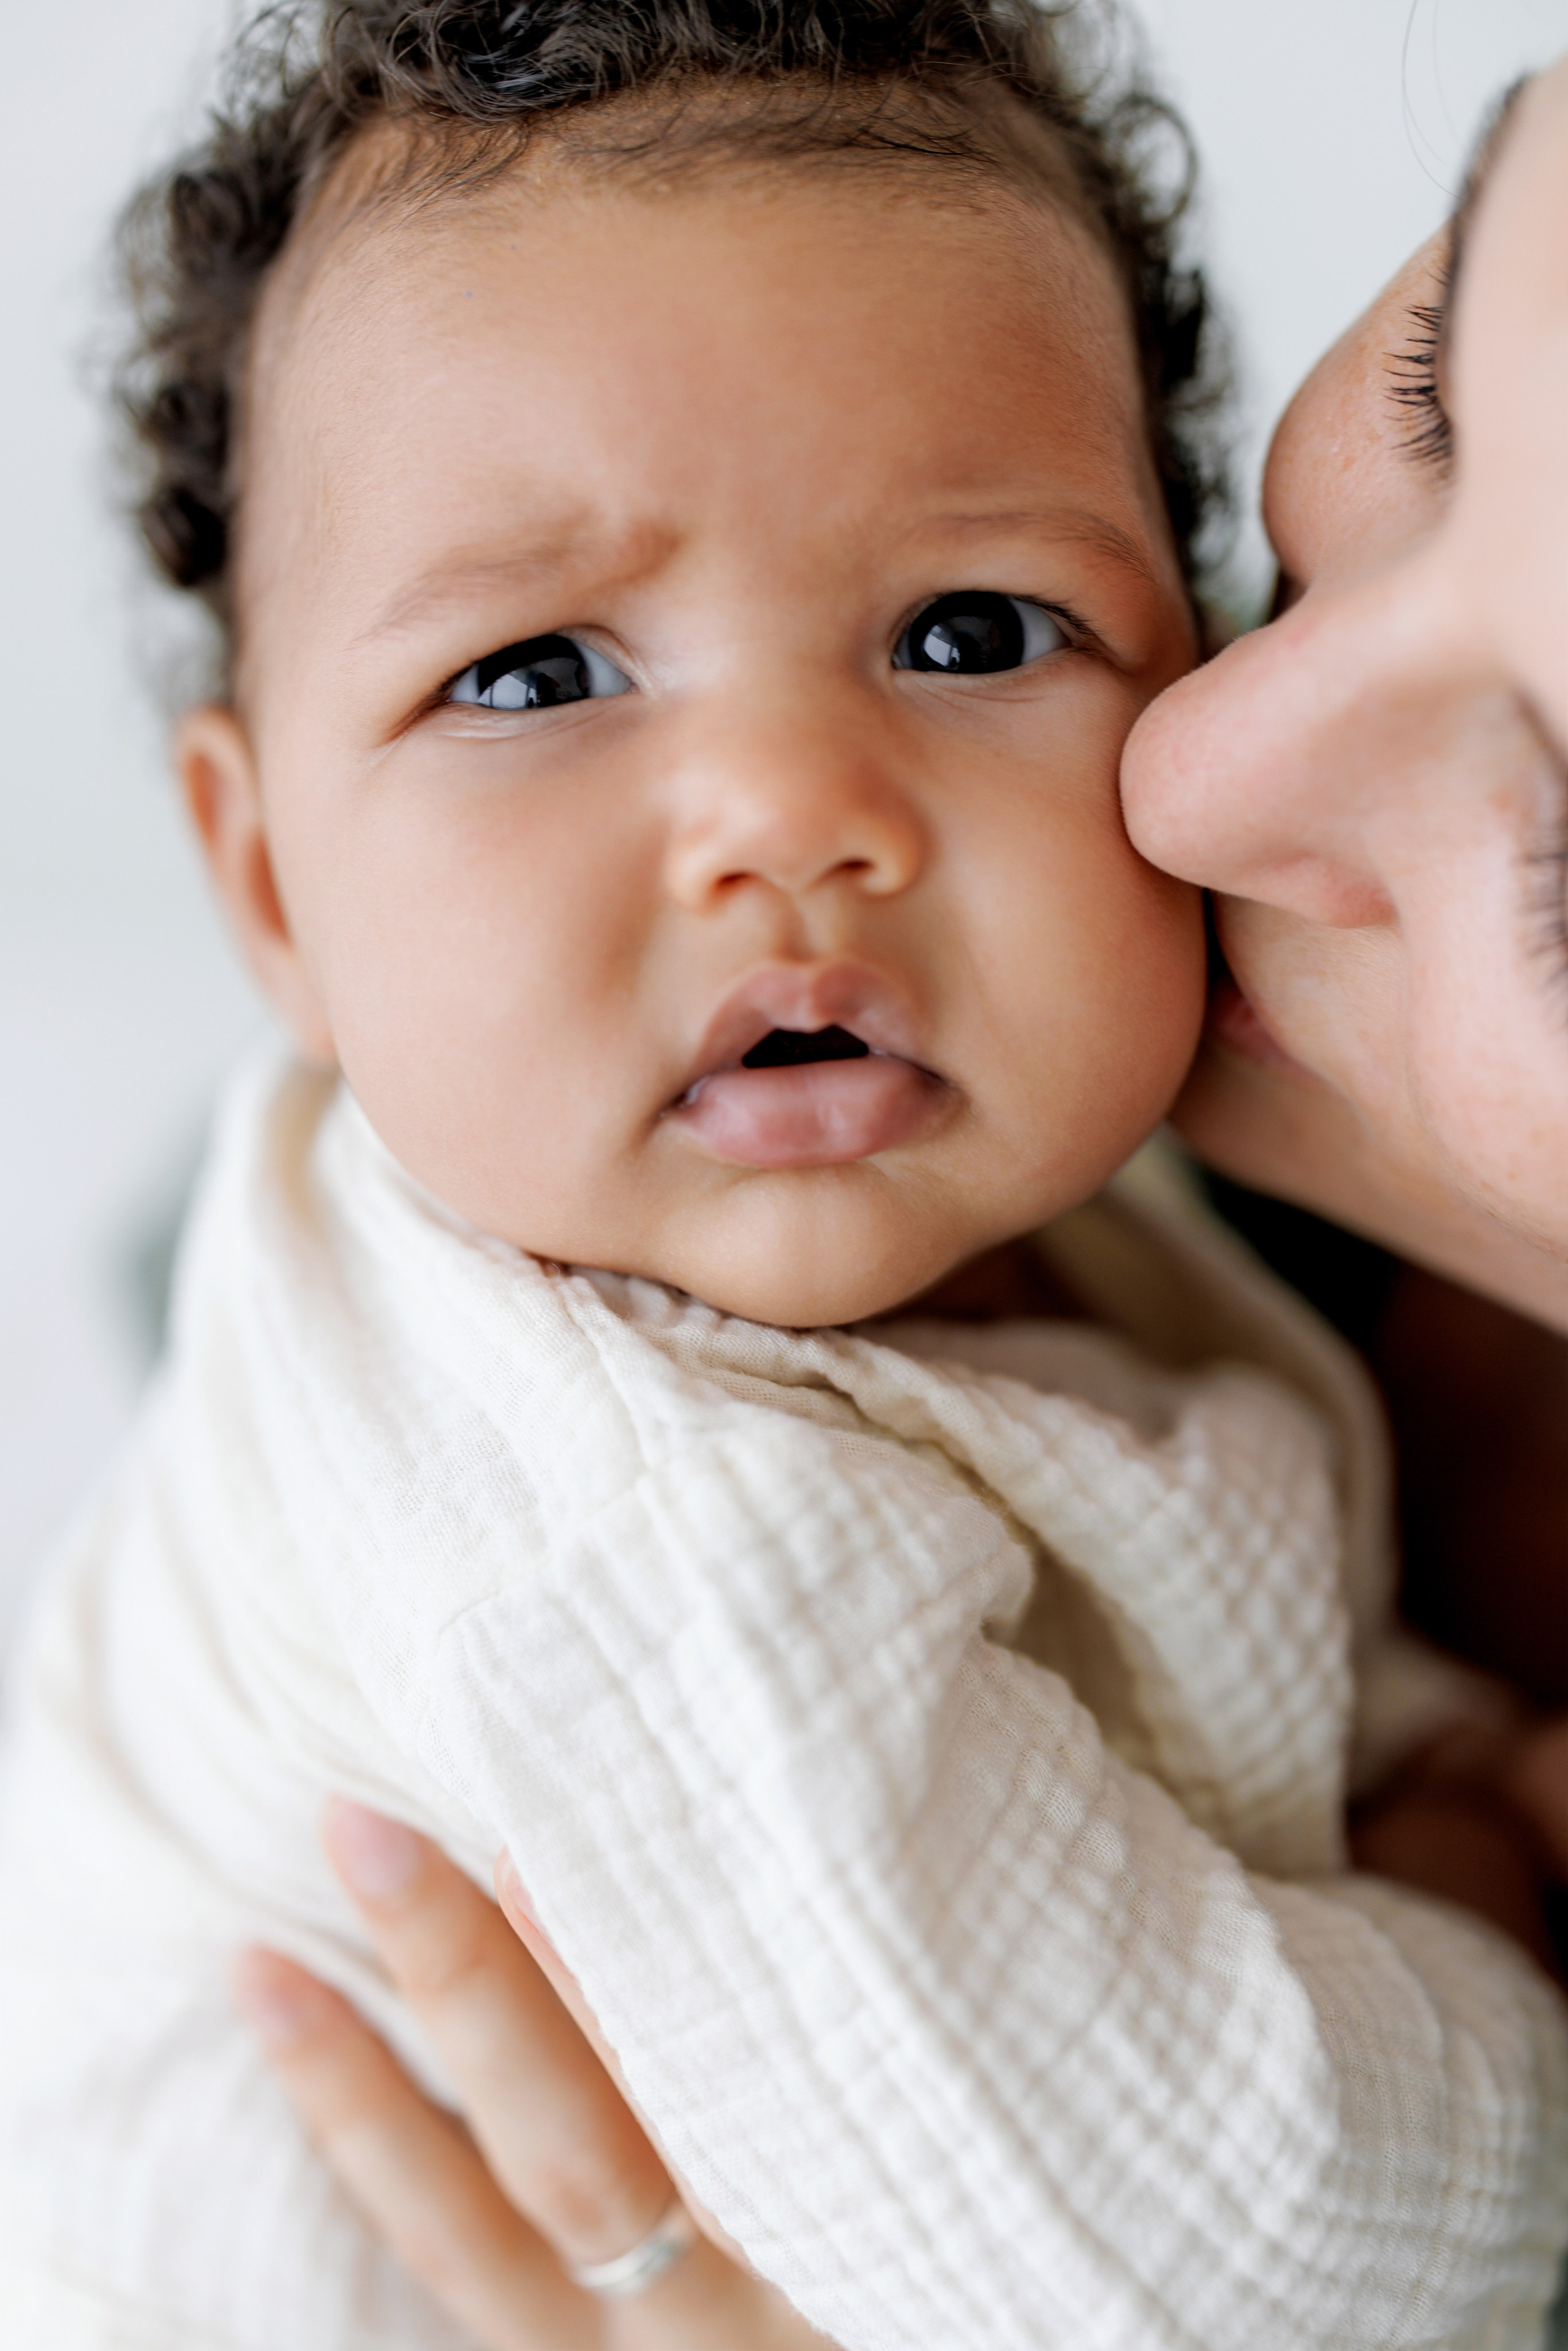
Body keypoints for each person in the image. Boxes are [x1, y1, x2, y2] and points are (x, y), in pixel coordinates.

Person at [1, 9, 1563, 2351]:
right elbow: (1232, 2248)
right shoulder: (619, 1527)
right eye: (535, 675)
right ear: (268, 888)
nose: (786, 816)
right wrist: (1484, 1876)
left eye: (970, 635)